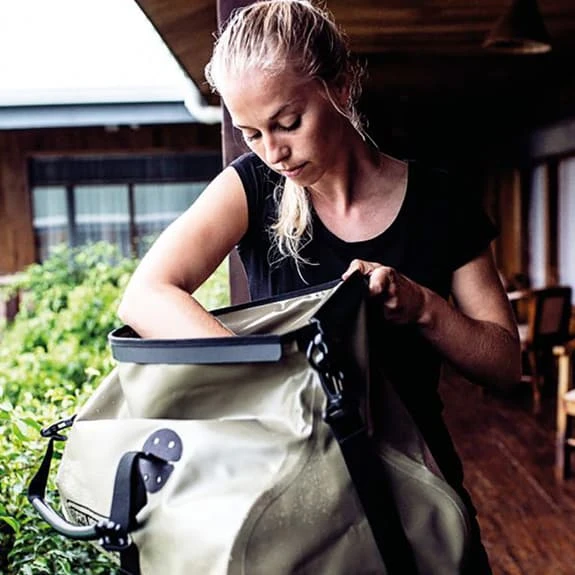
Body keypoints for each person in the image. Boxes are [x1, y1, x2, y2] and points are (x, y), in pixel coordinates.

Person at [117, 0, 521, 572]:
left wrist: (424, 307)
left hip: (420, 498)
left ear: (341, 84)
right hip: (298, 510)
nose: (273, 152)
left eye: (288, 123)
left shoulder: (440, 201)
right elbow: (146, 295)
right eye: (251, 133)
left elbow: (504, 365)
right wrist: (269, 377)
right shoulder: (251, 188)